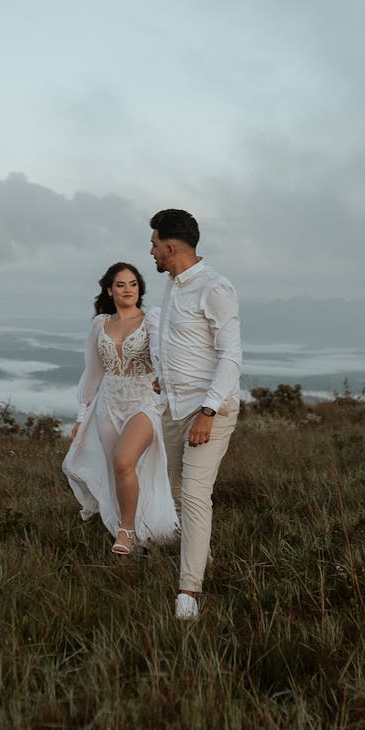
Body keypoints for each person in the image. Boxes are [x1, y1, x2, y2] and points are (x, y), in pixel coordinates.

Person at [149, 209, 242, 620]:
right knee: (179, 494)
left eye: (153, 244)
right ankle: (200, 552)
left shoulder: (215, 287)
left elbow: (230, 356)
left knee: (195, 494)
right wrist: (163, 378)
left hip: (210, 410)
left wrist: (207, 410)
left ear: (170, 248)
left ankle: (188, 594)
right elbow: (181, 344)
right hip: (174, 406)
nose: (150, 251)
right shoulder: (171, 285)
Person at [62, 262, 179, 555]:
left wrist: (164, 387)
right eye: (121, 285)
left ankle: (126, 533)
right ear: (109, 289)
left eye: (133, 284)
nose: (128, 290)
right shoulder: (100, 324)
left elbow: (164, 356)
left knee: (125, 459)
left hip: (143, 400)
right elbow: (92, 372)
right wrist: (81, 414)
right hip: (107, 402)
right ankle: (128, 526)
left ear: (140, 289)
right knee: (118, 469)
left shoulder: (152, 318)